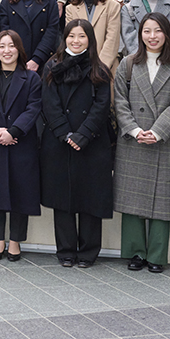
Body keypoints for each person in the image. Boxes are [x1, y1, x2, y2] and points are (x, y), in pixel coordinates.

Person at [114, 13, 170, 274]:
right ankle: (135, 251)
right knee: (132, 198)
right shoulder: (127, 64)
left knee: (163, 199)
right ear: (140, 34)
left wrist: (157, 131)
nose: (152, 36)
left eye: (158, 31)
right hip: (134, 139)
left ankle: (157, 254)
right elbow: (119, 102)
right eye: (147, 31)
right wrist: (135, 130)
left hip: (165, 140)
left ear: (167, 34)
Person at [40, 19, 113, 268]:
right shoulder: (52, 66)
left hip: (91, 142)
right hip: (60, 142)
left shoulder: (99, 69)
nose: (76, 41)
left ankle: (89, 252)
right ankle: (66, 250)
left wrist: (82, 135)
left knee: (90, 199)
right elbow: (49, 104)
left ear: (89, 40)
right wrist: (65, 134)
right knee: (63, 199)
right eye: (71, 36)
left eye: (82, 36)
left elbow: (102, 107)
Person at [0, 30, 43, 263]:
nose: (6, 51)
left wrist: (13, 131)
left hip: (21, 143)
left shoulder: (31, 78)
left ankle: (15, 241)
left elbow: (34, 108)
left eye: (11, 46)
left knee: (21, 193)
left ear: (19, 49)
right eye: (2, 46)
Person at [0, 0, 60, 74]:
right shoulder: (7, 1)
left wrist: (37, 59)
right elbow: (3, 30)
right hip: (13, 61)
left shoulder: (50, 1)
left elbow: (52, 32)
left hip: (42, 61)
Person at [64, 0, 121, 75]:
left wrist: (101, 68)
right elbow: (71, 39)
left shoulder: (112, 6)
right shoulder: (70, 9)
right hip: (79, 68)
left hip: (106, 66)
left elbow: (112, 39)